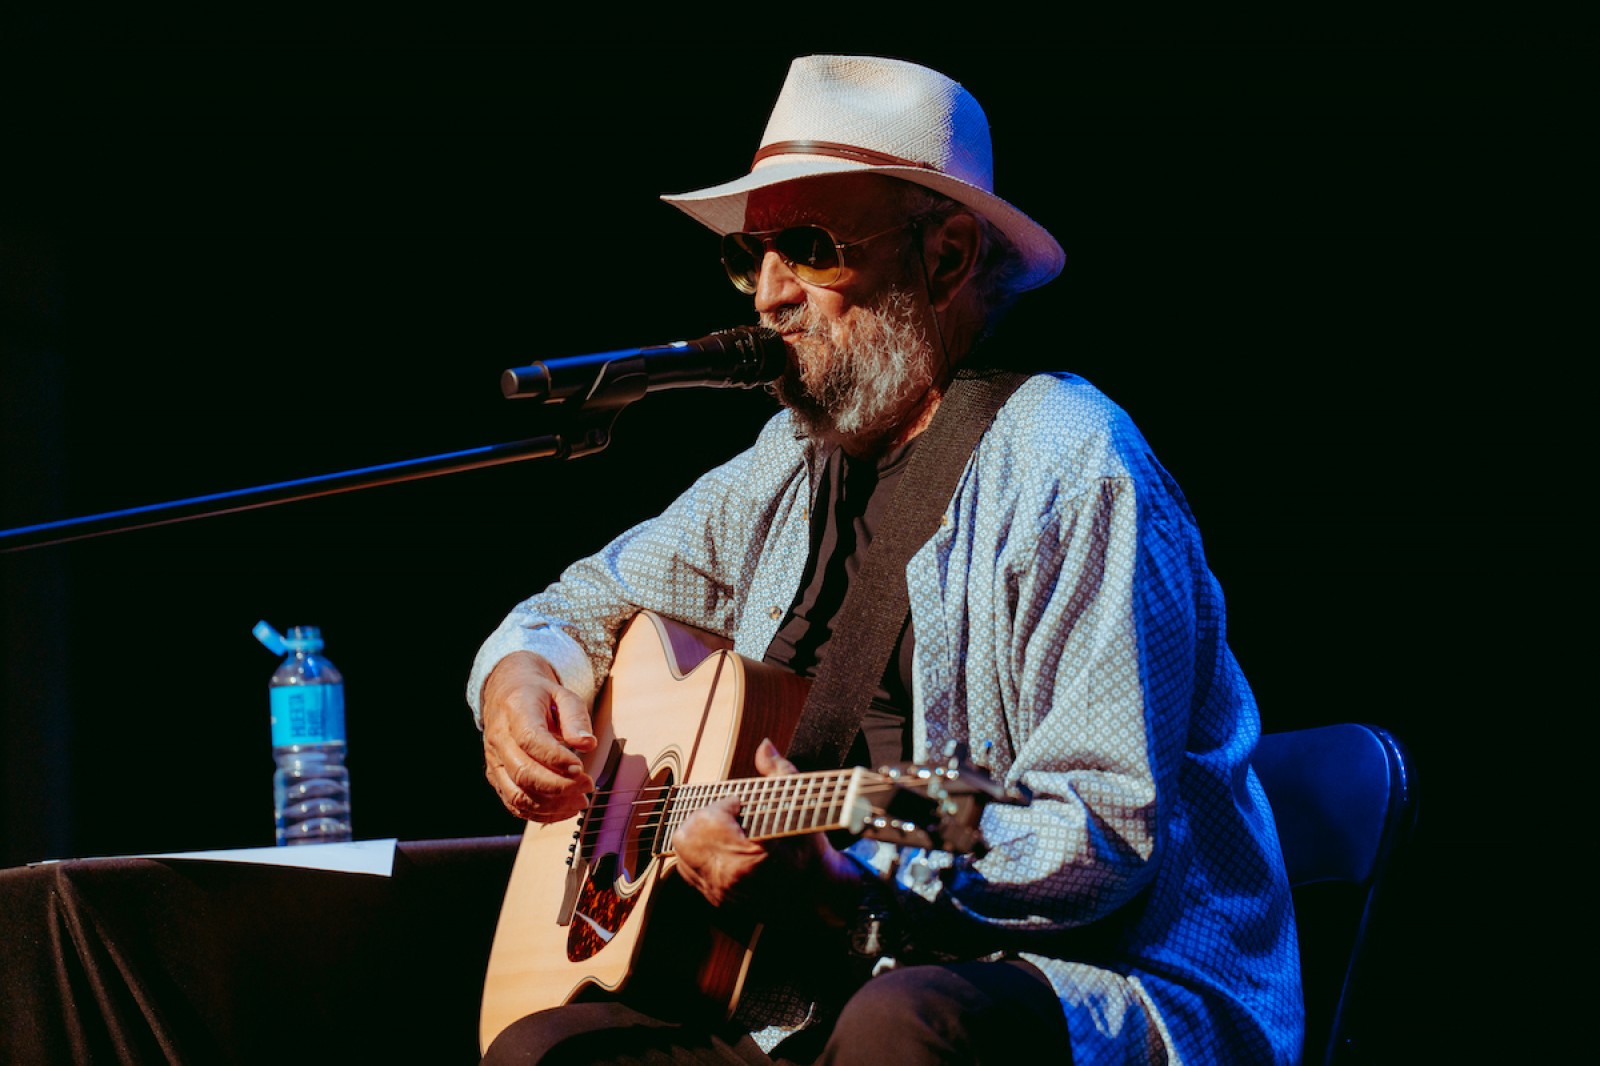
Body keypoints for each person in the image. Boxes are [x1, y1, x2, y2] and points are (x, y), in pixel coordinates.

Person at [468, 54, 1303, 1065]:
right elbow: (582, 602)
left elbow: (1099, 830)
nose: (770, 296)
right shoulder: (784, 466)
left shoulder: (1072, 466)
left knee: (903, 1030)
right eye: (751, 255)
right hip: (808, 989)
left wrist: (851, 886)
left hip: (1084, 986)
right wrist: (524, 676)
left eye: (810, 249)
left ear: (946, 260)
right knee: (545, 1047)